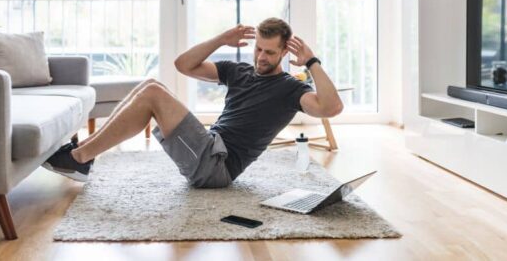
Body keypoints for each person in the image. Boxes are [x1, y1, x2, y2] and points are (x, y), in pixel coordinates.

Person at [43, 17, 343, 187]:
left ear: (284, 54)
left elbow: (331, 108)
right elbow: (183, 65)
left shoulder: (289, 88)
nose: (262, 57)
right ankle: (84, 153)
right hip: (209, 145)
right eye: (259, 49)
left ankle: (79, 160)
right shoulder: (238, 71)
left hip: (218, 166)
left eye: (270, 53)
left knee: (153, 94)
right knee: (150, 85)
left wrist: (311, 62)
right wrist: (220, 40)